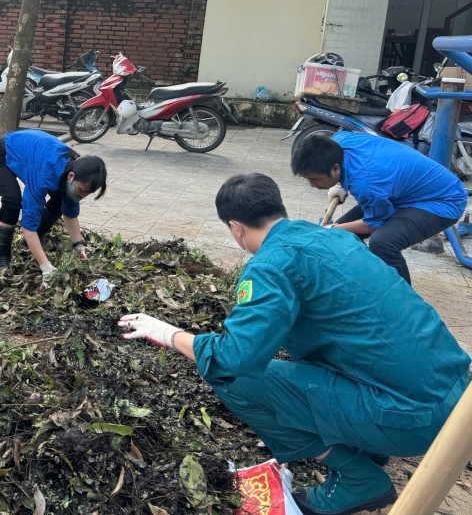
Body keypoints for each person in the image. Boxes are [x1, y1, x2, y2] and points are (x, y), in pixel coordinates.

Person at [119, 173, 469, 515]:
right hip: (456, 402)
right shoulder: (333, 238)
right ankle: (367, 443)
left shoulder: (271, 266)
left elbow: (235, 358)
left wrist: (168, 333)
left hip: (411, 419)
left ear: (236, 228)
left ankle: (357, 478)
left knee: (233, 378)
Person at [291, 131, 467, 284]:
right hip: (401, 191)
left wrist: (332, 228)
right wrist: (341, 187)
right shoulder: (338, 140)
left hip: (442, 201)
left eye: (315, 179)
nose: (312, 185)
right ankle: (351, 282)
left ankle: (404, 303)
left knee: (382, 242)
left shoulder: (367, 185)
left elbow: (374, 224)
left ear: (336, 168)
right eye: (308, 179)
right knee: (339, 236)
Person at [0, 130, 107, 285]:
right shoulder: (43, 175)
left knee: (60, 201)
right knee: (12, 201)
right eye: (81, 191)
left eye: (86, 194)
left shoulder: (75, 170)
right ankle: (1, 259)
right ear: (71, 176)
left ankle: (29, 244)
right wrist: (46, 266)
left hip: (33, 154)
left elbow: (70, 212)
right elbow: (28, 226)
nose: (81, 196)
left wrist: (79, 246)